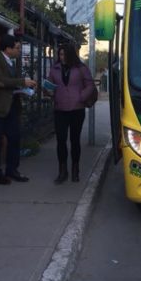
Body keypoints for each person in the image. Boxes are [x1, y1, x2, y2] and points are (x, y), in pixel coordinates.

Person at [0, 34, 37, 184]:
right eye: (17, 48)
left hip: (11, 107)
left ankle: (12, 170)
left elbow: (12, 84)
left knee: (14, 138)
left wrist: (24, 89)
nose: (19, 51)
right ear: (8, 48)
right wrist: (22, 82)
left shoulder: (12, 62)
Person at [46, 43, 95, 184]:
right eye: (60, 55)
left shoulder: (81, 68)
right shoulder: (54, 69)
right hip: (60, 109)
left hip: (77, 110)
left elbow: (90, 85)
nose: (61, 57)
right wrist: (48, 91)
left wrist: (81, 97)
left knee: (75, 141)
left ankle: (75, 169)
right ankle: (62, 171)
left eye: (64, 54)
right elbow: (50, 84)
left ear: (70, 54)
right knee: (61, 140)